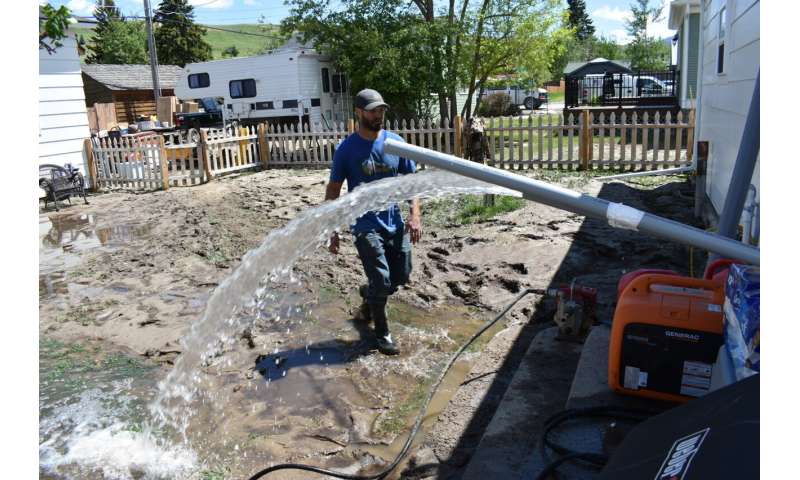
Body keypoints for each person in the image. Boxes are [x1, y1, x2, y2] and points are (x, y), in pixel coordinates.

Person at [325, 89, 422, 355]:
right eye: (372, 110)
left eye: (381, 110)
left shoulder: (395, 144)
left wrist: (414, 215)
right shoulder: (346, 150)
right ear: (359, 112)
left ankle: (368, 295)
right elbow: (333, 190)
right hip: (364, 224)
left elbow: (411, 183)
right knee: (382, 279)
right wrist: (332, 230)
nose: (378, 114)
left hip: (395, 221)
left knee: (400, 276)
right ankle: (382, 333)